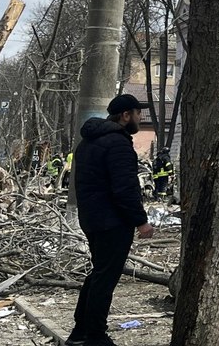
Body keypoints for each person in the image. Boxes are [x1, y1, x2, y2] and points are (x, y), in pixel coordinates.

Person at [67, 94, 154, 346]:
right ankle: (95, 336)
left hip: (92, 219)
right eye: (138, 113)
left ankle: (80, 332)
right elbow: (124, 188)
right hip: (112, 222)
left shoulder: (87, 143)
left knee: (98, 274)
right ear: (126, 115)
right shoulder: (117, 143)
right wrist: (141, 221)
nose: (140, 118)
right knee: (105, 278)